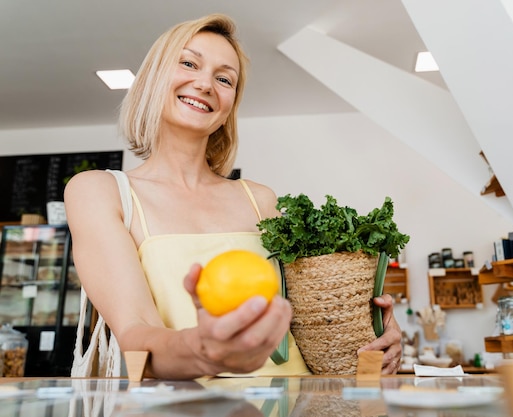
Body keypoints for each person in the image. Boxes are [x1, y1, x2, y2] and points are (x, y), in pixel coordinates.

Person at [64, 13, 402, 380]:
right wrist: (206, 353)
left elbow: (306, 330)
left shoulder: (261, 200)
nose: (205, 84)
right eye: (189, 63)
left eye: (224, 79)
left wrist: (374, 345)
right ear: (152, 80)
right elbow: (136, 336)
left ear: (228, 110)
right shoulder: (101, 192)